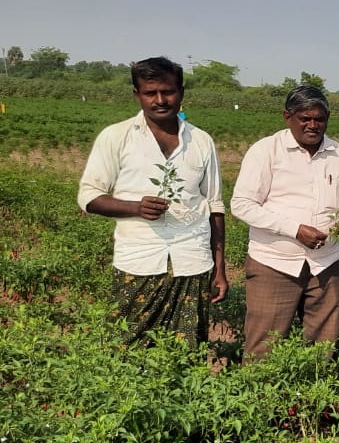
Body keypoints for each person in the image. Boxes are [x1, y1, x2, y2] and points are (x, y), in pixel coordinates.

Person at [77, 56, 227, 348]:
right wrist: (135, 208)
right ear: (137, 95)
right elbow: (88, 196)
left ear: (181, 92)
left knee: (186, 351)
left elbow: (215, 206)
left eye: (168, 91)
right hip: (139, 261)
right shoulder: (116, 137)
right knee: (126, 347)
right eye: (150, 93)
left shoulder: (201, 141)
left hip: (192, 262)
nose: (160, 100)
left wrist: (220, 269)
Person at [230, 85, 339, 359]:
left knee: (323, 346)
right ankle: (263, 400)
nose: (313, 125)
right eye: (305, 118)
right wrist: (294, 230)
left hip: (325, 264)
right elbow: (242, 204)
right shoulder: (266, 151)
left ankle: (312, 400)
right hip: (274, 263)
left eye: (320, 119)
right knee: (264, 347)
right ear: (287, 116)